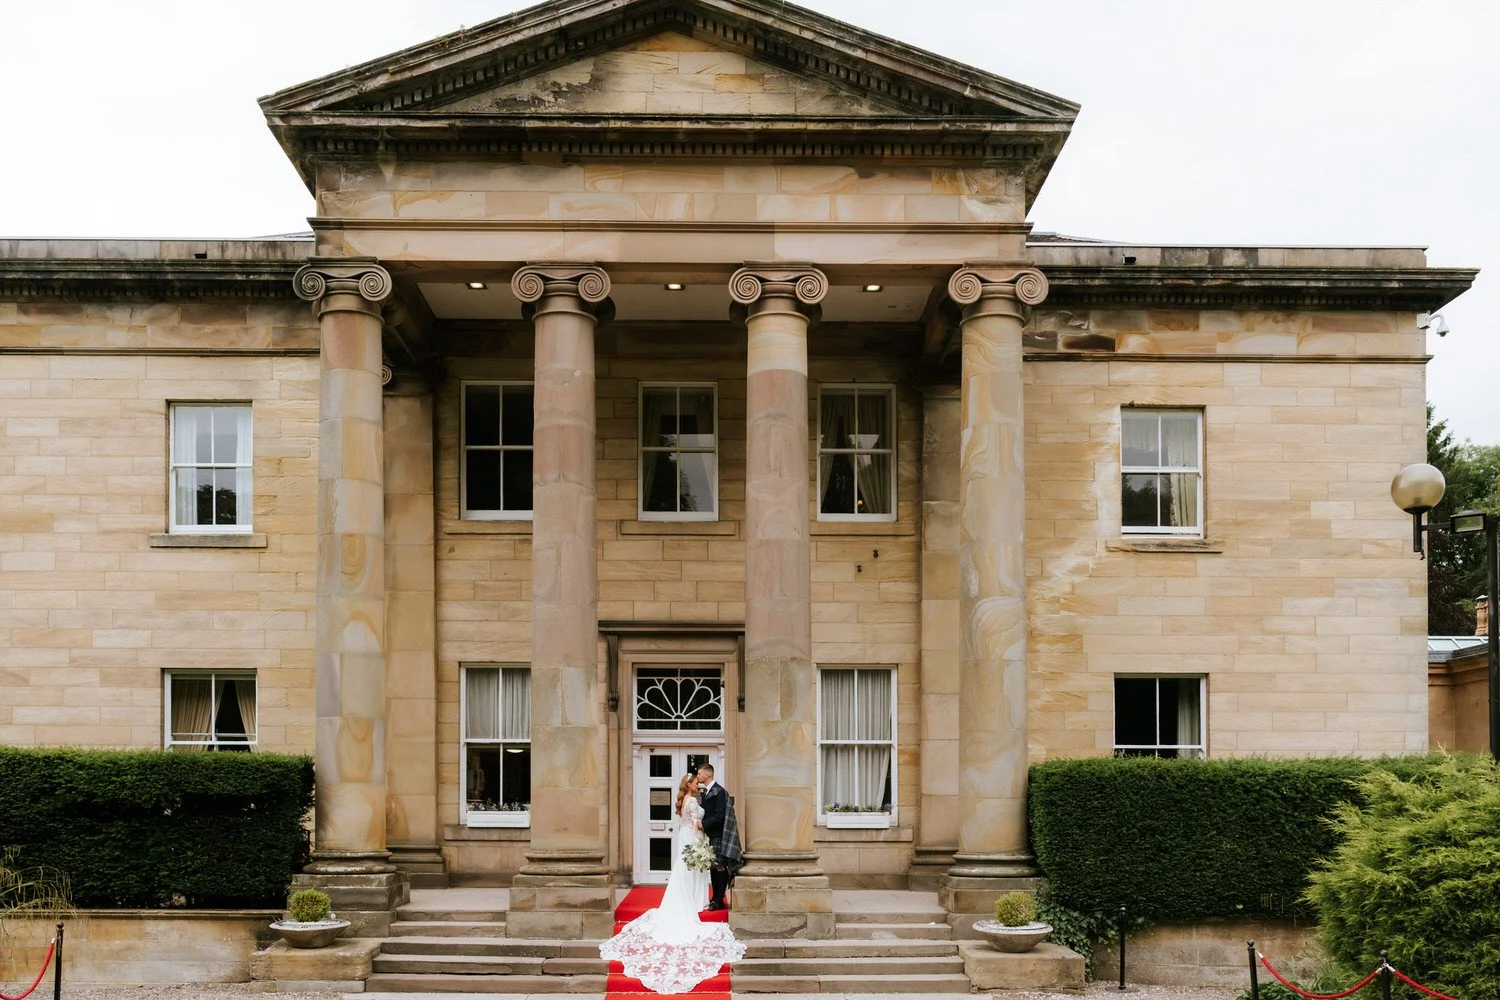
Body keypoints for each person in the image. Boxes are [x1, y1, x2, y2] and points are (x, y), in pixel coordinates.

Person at [598, 772, 746, 994]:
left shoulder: (688, 800)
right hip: (693, 835)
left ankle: (696, 899)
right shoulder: (692, 801)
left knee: (689, 870)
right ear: (689, 784)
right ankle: (694, 901)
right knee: (690, 870)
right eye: (696, 782)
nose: (699, 785)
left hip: (689, 836)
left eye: (699, 781)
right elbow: (695, 821)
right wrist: (702, 825)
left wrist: (700, 826)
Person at [695, 762, 742, 910]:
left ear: (707, 774)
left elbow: (721, 816)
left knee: (719, 868)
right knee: (714, 868)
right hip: (712, 835)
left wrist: (704, 824)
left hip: (719, 835)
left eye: (699, 773)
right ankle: (715, 897)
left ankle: (718, 900)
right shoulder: (708, 791)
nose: (698, 776)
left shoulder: (719, 791)